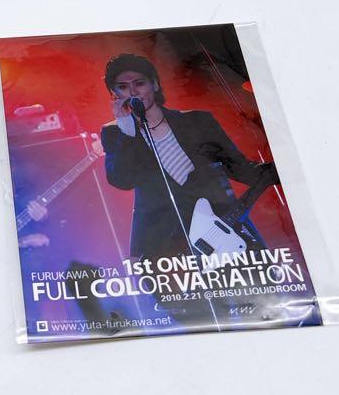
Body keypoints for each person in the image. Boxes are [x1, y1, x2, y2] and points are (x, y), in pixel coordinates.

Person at [99, 53, 277, 263]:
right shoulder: (114, 132)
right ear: (114, 94)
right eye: (123, 87)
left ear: (155, 84)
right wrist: (127, 133)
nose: (133, 92)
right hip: (167, 241)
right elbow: (121, 180)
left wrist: (282, 167)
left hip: (220, 227)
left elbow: (239, 168)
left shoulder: (197, 120)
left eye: (139, 83)